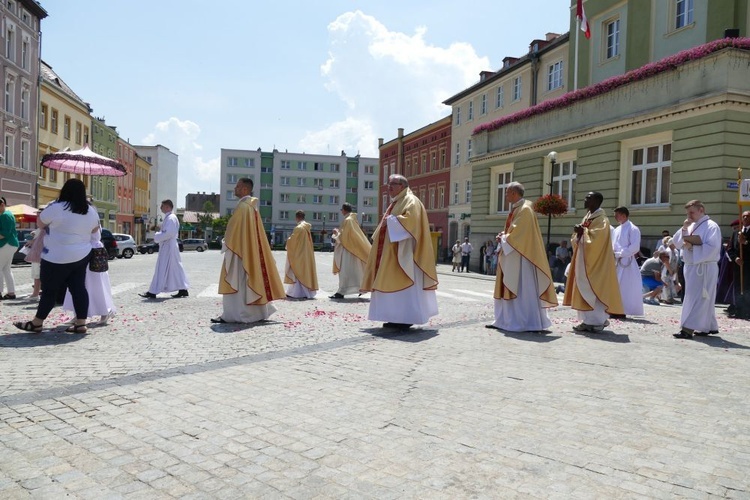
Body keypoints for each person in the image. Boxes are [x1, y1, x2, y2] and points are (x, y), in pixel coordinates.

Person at [13, 179, 100, 334]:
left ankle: (37, 322)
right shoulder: (90, 210)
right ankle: (81, 323)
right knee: (79, 288)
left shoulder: (57, 207)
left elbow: (40, 223)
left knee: (49, 291)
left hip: (55, 255)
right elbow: (94, 230)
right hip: (81, 255)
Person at [360, 174, 438, 330]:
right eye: (388, 184)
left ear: (402, 186)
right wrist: (389, 220)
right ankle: (395, 317)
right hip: (392, 253)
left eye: (392, 184)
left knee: (405, 289)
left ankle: (406, 318)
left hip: (405, 255)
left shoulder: (411, 200)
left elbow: (411, 223)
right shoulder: (398, 201)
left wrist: (390, 220)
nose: (389, 187)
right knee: (392, 287)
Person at [486, 182, 557, 332]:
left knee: (522, 288)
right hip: (514, 255)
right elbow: (513, 231)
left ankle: (523, 321)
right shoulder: (519, 208)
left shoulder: (525, 210)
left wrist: (504, 238)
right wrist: (504, 236)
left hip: (521, 257)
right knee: (512, 286)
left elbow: (519, 235)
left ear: (514, 193)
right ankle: (505, 320)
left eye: (507, 192)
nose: (505, 196)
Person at [214, 178, 285, 323]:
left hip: (239, 253)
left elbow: (233, 232)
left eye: (237, 186)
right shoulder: (251, 207)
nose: (235, 188)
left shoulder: (243, 207)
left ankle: (237, 314)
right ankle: (256, 313)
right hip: (248, 251)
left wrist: (225, 243)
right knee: (250, 280)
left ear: (245, 190)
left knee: (239, 282)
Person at [563, 192, 624, 332]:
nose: (584, 200)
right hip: (584, 261)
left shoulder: (602, 219)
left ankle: (597, 321)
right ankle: (587, 320)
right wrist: (579, 233)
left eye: (588, 198)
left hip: (595, 263)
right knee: (583, 289)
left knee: (593, 288)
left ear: (596, 201)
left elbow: (597, 240)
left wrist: (582, 231)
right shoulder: (588, 217)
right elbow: (580, 237)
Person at [671, 199, 722, 338]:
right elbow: (676, 242)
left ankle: (687, 329)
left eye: (692, 212)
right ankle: (708, 326)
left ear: (701, 210)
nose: (689, 216)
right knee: (702, 297)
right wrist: (684, 228)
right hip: (691, 266)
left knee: (699, 297)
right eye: (687, 213)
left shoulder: (712, 226)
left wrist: (693, 247)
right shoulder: (690, 225)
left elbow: (713, 248)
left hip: (704, 267)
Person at [63, 226, 116, 325]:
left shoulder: (91, 218)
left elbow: (92, 233)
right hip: (81, 252)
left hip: (93, 254)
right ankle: (79, 314)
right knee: (79, 285)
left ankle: (104, 312)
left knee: (96, 285)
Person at [139, 199, 189, 299]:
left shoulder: (171, 218)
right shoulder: (170, 218)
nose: (161, 208)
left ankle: (153, 292)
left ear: (167, 207)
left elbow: (168, 233)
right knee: (175, 269)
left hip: (168, 247)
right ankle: (183, 289)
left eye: (162, 206)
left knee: (161, 268)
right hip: (169, 246)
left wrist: (157, 236)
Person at [330, 203, 371, 299]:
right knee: (356, 271)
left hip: (348, 251)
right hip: (352, 250)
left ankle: (341, 292)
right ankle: (361, 288)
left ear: (344, 210)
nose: (341, 211)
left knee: (345, 272)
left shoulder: (348, 221)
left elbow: (344, 237)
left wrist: (336, 233)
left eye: (341, 209)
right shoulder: (352, 220)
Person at [610, 206, 643, 318]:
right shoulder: (617, 229)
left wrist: (620, 253)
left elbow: (634, 247)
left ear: (623, 215)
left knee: (625, 286)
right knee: (616, 286)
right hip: (616, 261)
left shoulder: (633, 229)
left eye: (617, 215)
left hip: (627, 262)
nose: (615, 217)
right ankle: (615, 308)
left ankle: (623, 310)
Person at [284, 210, 318, 299]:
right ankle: (304, 292)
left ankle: (295, 293)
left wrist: (288, 240)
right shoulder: (307, 228)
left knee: (296, 271)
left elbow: (293, 241)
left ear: (297, 217)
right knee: (304, 272)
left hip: (299, 254)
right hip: (306, 254)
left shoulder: (299, 228)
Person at [726, 211, 750, 318]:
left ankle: (747, 311)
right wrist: (735, 258)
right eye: (743, 216)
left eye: (748, 216)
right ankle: (739, 310)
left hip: (749, 266)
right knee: (738, 288)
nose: (745, 218)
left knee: (747, 288)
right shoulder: (737, 233)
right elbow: (730, 249)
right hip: (738, 266)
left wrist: (745, 242)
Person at [0, 196, 19, 300]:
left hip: (6, 244)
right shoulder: (8, 214)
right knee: (6, 269)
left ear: (2, 205)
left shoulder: (4, 216)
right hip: (10, 244)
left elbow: (4, 234)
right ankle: (11, 293)